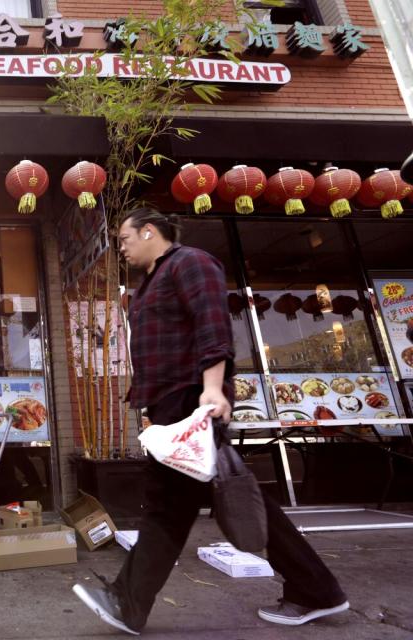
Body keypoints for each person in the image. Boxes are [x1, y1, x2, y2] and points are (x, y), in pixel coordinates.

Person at [73, 207, 349, 635]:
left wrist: (213, 388)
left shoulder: (191, 263)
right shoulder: (151, 282)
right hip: (173, 405)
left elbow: (212, 326)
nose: (121, 248)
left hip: (194, 401)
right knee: (218, 497)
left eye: (125, 239)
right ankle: (318, 590)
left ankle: (128, 603)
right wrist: (149, 407)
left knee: (170, 507)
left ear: (150, 231)